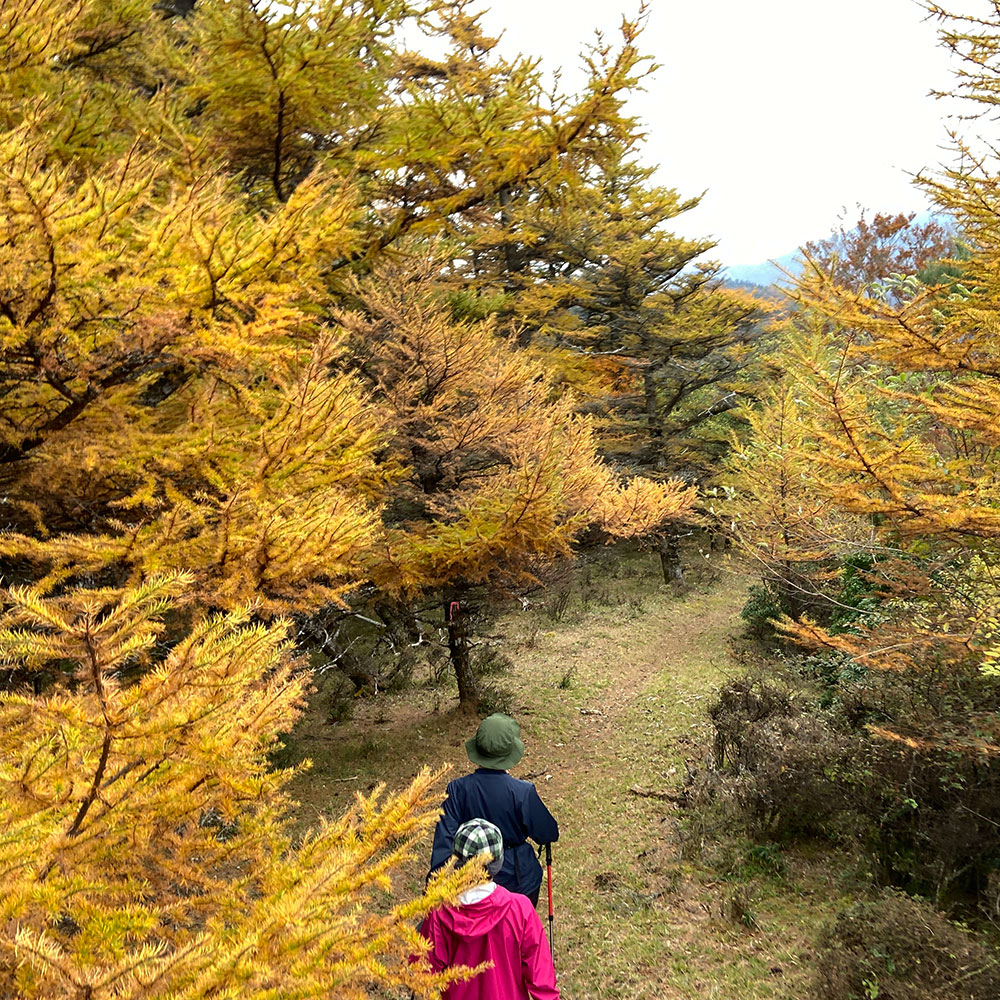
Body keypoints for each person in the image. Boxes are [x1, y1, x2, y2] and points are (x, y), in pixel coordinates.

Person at [419, 818, 559, 1000]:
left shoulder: (438, 913)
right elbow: (542, 981)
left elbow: (421, 974)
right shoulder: (520, 909)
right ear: (498, 861)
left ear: (457, 862)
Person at [429, 713, 558, 906]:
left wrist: (433, 887)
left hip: (469, 883)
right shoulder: (523, 792)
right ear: (511, 751)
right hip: (519, 882)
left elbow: (444, 839)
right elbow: (548, 833)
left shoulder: (457, 789)